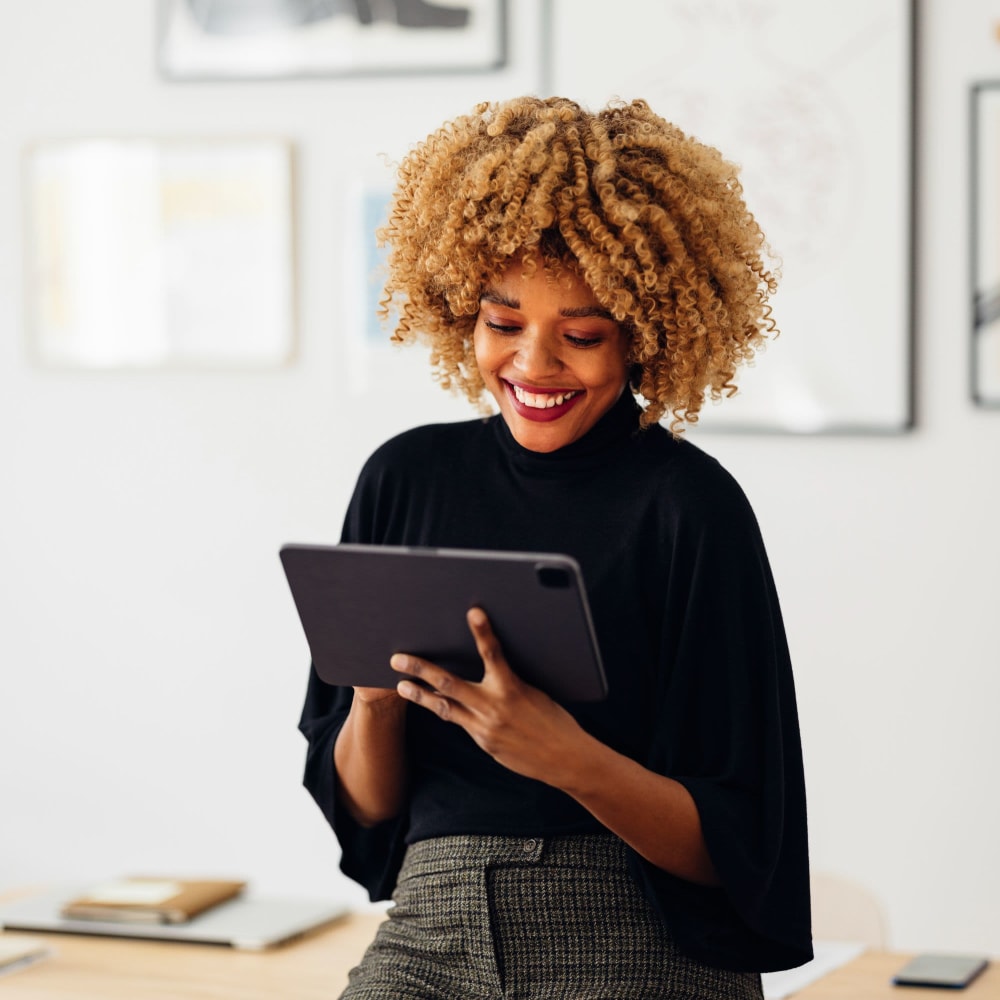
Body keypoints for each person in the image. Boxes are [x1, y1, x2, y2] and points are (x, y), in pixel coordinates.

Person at [299, 95, 812, 999]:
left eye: (581, 336)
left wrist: (561, 755)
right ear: (460, 309)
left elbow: (740, 845)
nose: (534, 366)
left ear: (646, 335)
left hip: (634, 935)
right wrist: (374, 706)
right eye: (503, 324)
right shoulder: (404, 480)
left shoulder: (689, 508)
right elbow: (369, 818)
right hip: (430, 926)